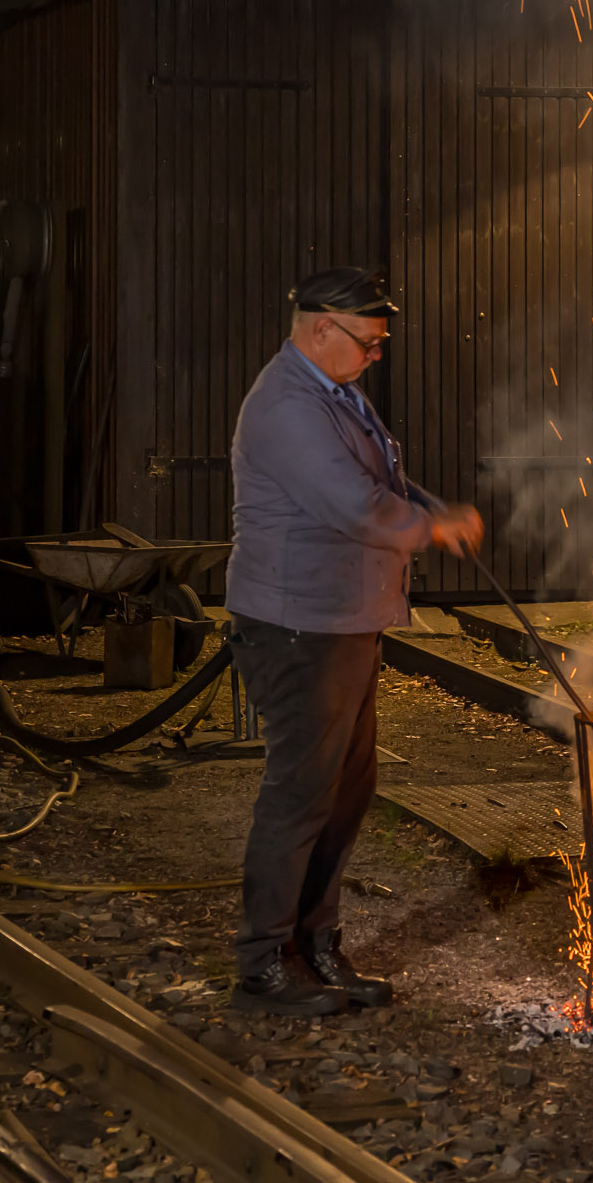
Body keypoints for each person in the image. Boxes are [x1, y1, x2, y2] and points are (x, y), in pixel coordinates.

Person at [223, 265, 484, 1016]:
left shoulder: (336, 393)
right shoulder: (285, 407)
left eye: (379, 343)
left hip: (344, 620)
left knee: (345, 791)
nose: (376, 355)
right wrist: (430, 527)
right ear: (319, 330)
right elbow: (352, 503)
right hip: (300, 625)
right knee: (303, 793)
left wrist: (432, 508)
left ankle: (315, 944)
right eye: (369, 342)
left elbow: (383, 479)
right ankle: (263, 966)